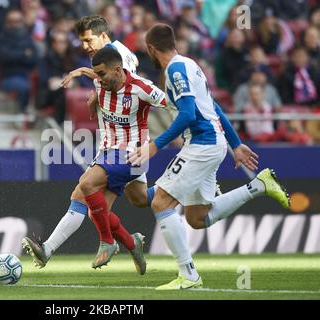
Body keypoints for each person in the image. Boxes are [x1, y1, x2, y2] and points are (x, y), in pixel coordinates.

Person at [127, 24, 290, 290]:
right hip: (213, 143)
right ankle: (258, 186)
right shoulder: (191, 65)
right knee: (197, 217)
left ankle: (188, 275)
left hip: (201, 145)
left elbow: (189, 114)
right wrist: (235, 144)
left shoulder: (175, 71)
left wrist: (155, 146)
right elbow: (213, 107)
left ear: (151, 49)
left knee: (160, 202)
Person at [22, 15, 159, 273]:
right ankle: (132, 243)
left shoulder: (119, 54)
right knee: (133, 200)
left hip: (126, 146)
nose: (85, 46)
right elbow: (113, 84)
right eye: (82, 41)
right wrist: (97, 91)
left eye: (88, 40)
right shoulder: (107, 57)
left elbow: (126, 82)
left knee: (86, 193)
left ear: (103, 35)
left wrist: (87, 76)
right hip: (112, 142)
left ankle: (57, 248)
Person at [79, 47, 168, 269]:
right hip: (110, 152)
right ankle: (132, 243)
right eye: (95, 74)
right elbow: (95, 77)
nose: (97, 79)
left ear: (118, 70)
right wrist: (88, 87)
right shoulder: (102, 82)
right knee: (98, 213)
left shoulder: (142, 88)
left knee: (86, 184)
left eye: (101, 74)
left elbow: (174, 105)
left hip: (134, 155)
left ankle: (107, 242)